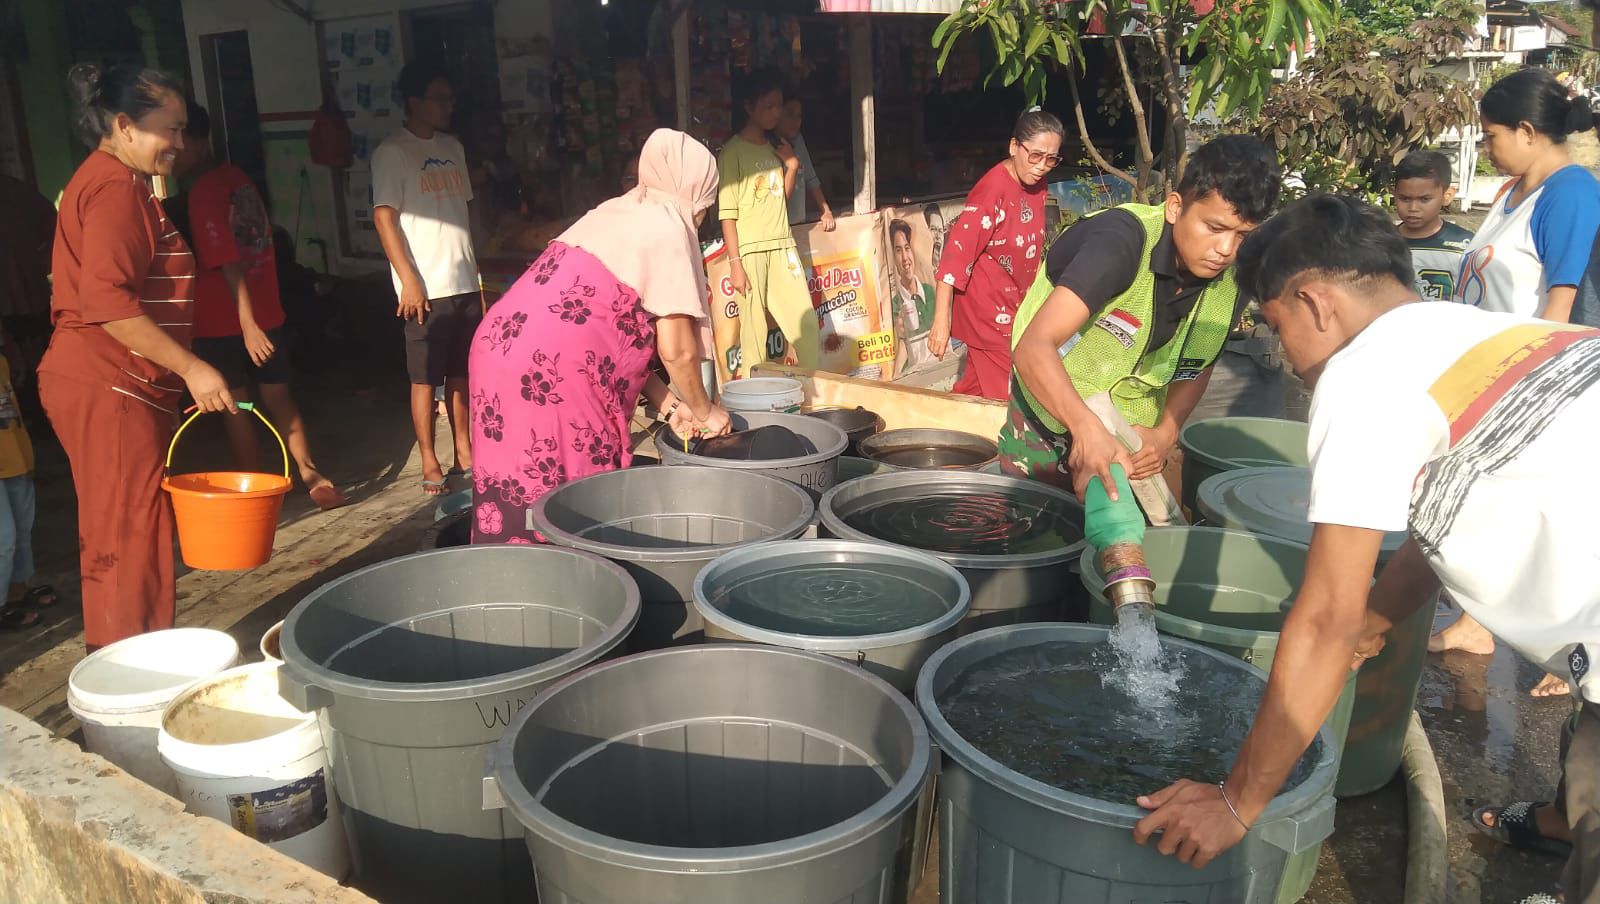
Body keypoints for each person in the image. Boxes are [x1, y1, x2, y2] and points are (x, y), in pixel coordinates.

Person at [1132, 194, 1600, 904]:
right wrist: (1376, 619)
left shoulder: (1365, 374)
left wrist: (1236, 802)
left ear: (1315, 301)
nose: (1283, 357)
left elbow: (1322, 619)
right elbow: (1444, 517)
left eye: (1276, 325)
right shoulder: (1489, 335)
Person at [39, 63, 235, 651]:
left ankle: (137, 655)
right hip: (107, 384)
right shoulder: (113, 189)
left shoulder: (123, 183)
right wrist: (194, 367)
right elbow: (107, 303)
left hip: (123, 386)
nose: (179, 142)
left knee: (131, 531)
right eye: (168, 129)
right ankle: (129, 677)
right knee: (125, 540)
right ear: (124, 125)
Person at [468, 129, 732, 543]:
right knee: (576, 498)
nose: (702, 217)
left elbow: (605, 332)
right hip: (551, 373)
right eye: (706, 206)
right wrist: (704, 411)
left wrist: (670, 406)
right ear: (696, 193)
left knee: (515, 485)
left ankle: (513, 584)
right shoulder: (667, 226)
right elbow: (678, 351)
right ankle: (576, 587)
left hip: (499, 348)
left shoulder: (613, 212)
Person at [1001, 135, 1280, 497]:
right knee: (1037, 537)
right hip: (1048, 421)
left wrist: (1166, 432)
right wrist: (1085, 427)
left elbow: (1199, 361)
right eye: (1214, 228)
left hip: (1130, 439)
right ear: (1175, 208)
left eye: (1244, 235)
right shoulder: (1119, 244)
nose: (1226, 250)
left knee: (1118, 543)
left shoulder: (1235, 277)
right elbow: (1033, 347)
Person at [1434, 68, 1600, 667]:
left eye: (1492, 135)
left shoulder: (1571, 190)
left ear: (1528, 131)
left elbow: (1562, 298)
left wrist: (1534, 393)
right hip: (1482, 370)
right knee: (1481, 503)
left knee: (1550, 521)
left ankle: (1577, 650)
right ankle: (1475, 622)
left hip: (1532, 382)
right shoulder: (1511, 191)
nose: (1487, 147)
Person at [176, 103, 348, 510]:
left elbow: (228, 261)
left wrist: (246, 323)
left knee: (236, 407)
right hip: (265, 311)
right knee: (278, 397)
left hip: (226, 321)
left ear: (195, 142)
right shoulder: (239, 180)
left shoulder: (203, 192)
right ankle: (311, 474)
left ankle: (254, 487)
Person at [373, 60, 480, 497]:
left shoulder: (453, 147)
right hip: (425, 287)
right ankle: (429, 458)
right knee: (423, 378)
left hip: (463, 280)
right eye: (439, 99)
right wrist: (409, 280)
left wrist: (477, 274)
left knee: (460, 375)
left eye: (449, 99)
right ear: (414, 102)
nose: (447, 106)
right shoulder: (392, 152)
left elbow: (464, 213)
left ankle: (463, 451)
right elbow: (384, 218)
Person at [929, 109, 1064, 400]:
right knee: (1010, 398)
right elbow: (955, 254)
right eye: (1035, 155)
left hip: (1016, 306)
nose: (1042, 166)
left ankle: (948, 431)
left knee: (974, 391)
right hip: (987, 315)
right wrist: (941, 320)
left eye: (1051, 159)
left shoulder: (1037, 184)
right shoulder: (991, 191)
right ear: (1014, 146)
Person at [718, 68, 810, 378]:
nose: (775, 113)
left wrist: (793, 166)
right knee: (754, 335)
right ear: (748, 107)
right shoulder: (732, 153)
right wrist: (735, 263)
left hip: (783, 246)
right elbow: (727, 214)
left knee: (806, 329)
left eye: (778, 106)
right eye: (767, 106)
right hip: (750, 251)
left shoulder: (778, 146)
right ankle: (754, 405)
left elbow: (777, 199)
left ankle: (815, 400)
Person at [0, 333, 53, 631]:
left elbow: (13, 415)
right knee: (3, 539)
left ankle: (18, 591)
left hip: (16, 460)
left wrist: (27, 457)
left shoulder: (2, 363)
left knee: (22, 530)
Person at [1393, 150, 1474, 302]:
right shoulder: (1381, 243)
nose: (1413, 208)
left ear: (1447, 195)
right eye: (1404, 198)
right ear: (1394, 194)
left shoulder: (1466, 247)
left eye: (1424, 199)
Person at [776, 93, 836, 231]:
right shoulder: (766, 146)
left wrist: (826, 211)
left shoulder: (797, 140)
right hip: (777, 229)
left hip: (799, 224)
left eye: (799, 116)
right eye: (789, 114)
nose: (795, 121)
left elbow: (810, 178)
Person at [890, 218, 937, 376]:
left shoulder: (930, 292)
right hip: (916, 379)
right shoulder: (896, 303)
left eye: (907, 248)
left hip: (939, 372)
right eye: (898, 251)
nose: (905, 258)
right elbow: (904, 347)